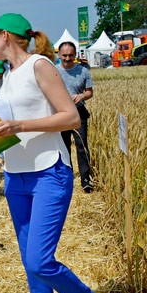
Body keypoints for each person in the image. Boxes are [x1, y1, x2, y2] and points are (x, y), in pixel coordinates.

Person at [0, 13, 105, 293]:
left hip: (49, 172)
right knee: (30, 265)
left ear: (5, 35)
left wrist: (19, 124)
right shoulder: (8, 75)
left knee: (39, 260)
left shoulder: (40, 65)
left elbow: (71, 117)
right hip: (15, 176)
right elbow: (10, 123)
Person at [57, 42, 94, 193]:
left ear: (75, 55)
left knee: (82, 145)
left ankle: (86, 179)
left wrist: (81, 96)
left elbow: (90, 92)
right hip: (60, 114)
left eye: (70, 55)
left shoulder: (83, 71)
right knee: (63, 146)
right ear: (59, 55)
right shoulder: (54, 71)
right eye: (64, 55)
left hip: (79, 113)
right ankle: (67, 177)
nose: (67, 58)